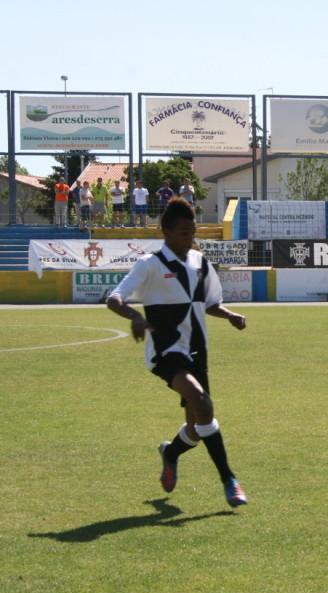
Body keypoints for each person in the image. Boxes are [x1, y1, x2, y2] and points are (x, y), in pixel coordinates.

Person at [107, 198, 249, 507]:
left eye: (193, 231)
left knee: (197, 427)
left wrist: (231, 316)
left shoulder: (201, 263)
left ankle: (170, 452)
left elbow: (211, 304)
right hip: (166, 351)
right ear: (166, 232)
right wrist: (136, 318)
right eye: (184, 232)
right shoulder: (150, 264)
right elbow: (114, 298)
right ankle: (230, 480)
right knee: (201, 401)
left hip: (198, 351)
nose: (191, 238)